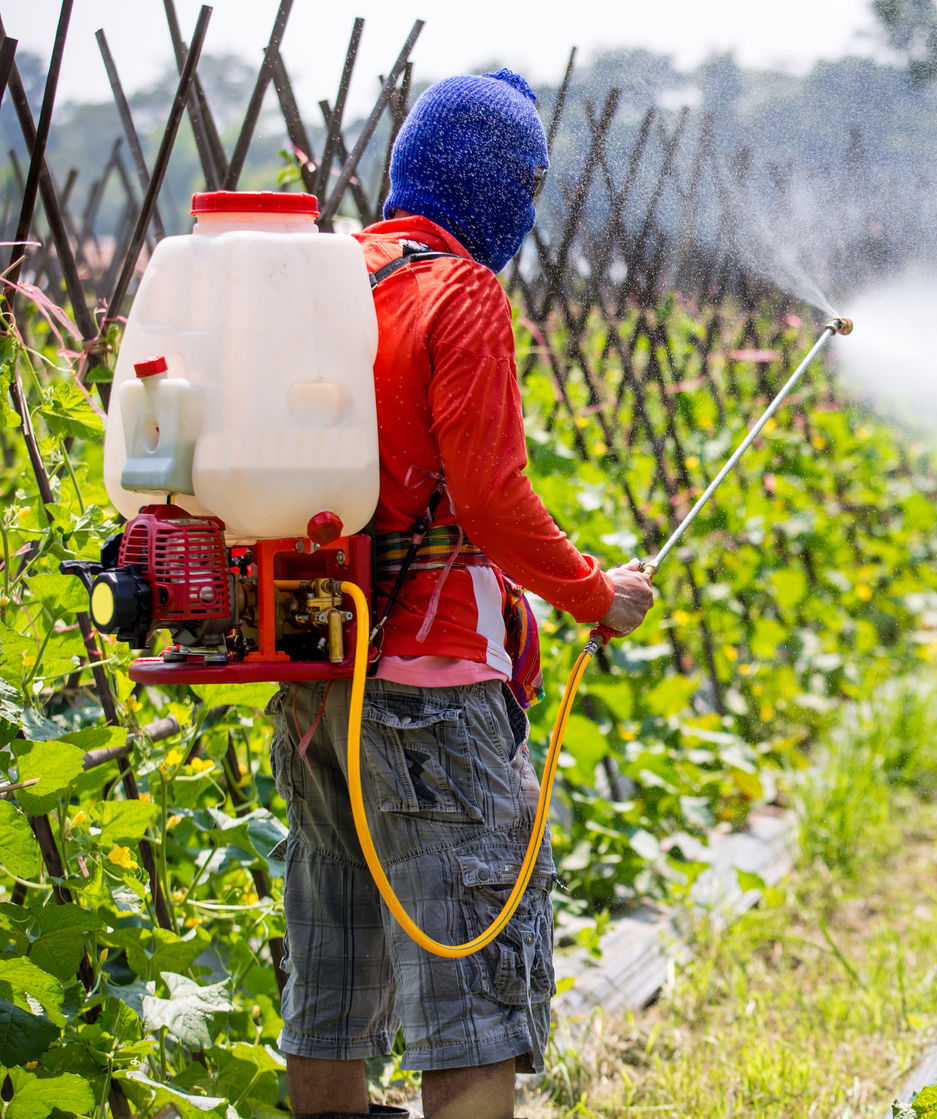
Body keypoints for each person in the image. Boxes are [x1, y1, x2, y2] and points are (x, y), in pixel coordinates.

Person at [265, 69, 655, 1119]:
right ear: (495, 188)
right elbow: (489, 499)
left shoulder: (337, 276)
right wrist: (591, 591)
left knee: (330, 990)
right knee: (472, 1012)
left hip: (315, 683)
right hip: (433, 699)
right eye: (524, 184)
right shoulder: (460, 293)